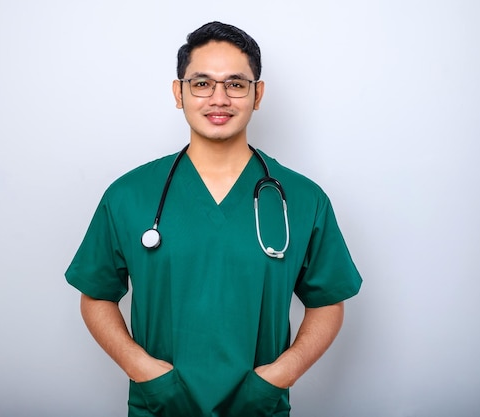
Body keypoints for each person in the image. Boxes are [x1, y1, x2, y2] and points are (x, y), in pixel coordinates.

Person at [65, 21, 362, 417]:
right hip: (161, 407)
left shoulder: (304, 199)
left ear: (258, 94)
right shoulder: (129, 195)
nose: (218, 98)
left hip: (257, 407)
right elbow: (96, 294)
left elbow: (328, 301)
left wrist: (280, 375)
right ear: (179, 92)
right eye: (202, 83)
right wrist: (143, 370)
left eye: (236, 84)